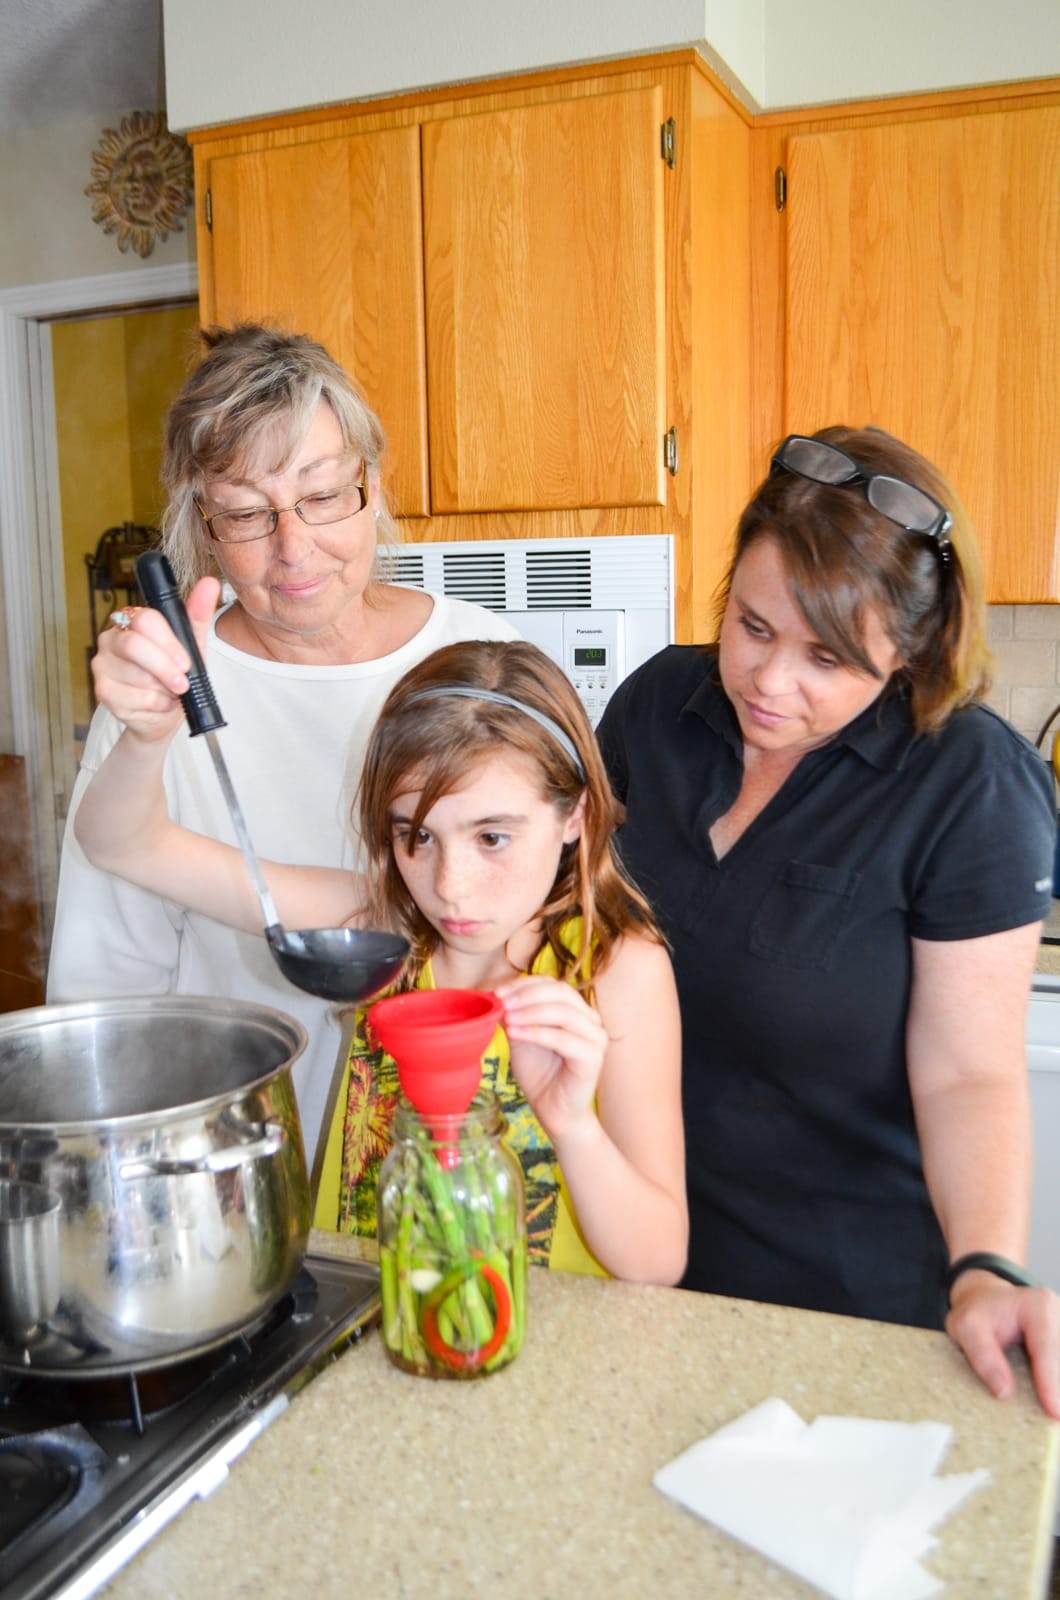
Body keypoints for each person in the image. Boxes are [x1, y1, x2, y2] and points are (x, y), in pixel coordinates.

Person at [596, 425, 1060, 1412]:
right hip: (627, 1271)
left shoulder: (969, 785)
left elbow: (968, 1070)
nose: (770, 683)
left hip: (844, 1309)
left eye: (826, 657)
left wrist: (986, 1264)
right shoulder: (655, 712)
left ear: (907, 651)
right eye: (753, 627)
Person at [74, 637, 688, 1283]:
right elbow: (122, 843)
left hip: (538, 1353)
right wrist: (147, 738)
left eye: (492, 837)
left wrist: (570, 1124)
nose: (450, 885)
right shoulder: (380, 926)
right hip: (369, 1320)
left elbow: (655, 1262)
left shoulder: (615, 969)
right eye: (416, 836)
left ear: (574, 816)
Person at [47, 325, 517, 1158]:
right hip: (229, 1154)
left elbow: (554, 922)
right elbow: (109, 980)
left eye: (322, 495)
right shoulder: (161, 691)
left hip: (452, 1139)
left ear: (370, 481)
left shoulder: (482, 665)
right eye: (246, 514)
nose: (293, 548)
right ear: (202, 522)